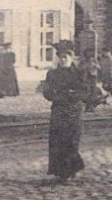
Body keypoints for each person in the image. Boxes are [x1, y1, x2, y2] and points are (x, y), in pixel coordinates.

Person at [41, 40, 87, 182]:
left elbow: (85, 91)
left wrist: (71, 95)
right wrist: (54, 95)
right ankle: (61, 171)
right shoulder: (52, 74)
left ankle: (71, 169)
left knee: (71, 140)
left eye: (66, 56)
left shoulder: (79, 73)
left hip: (73, 111)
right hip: (58, 110)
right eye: (61, 57)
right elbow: (47, 92)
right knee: (57, 140)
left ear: (72, 58)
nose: (63, 59)